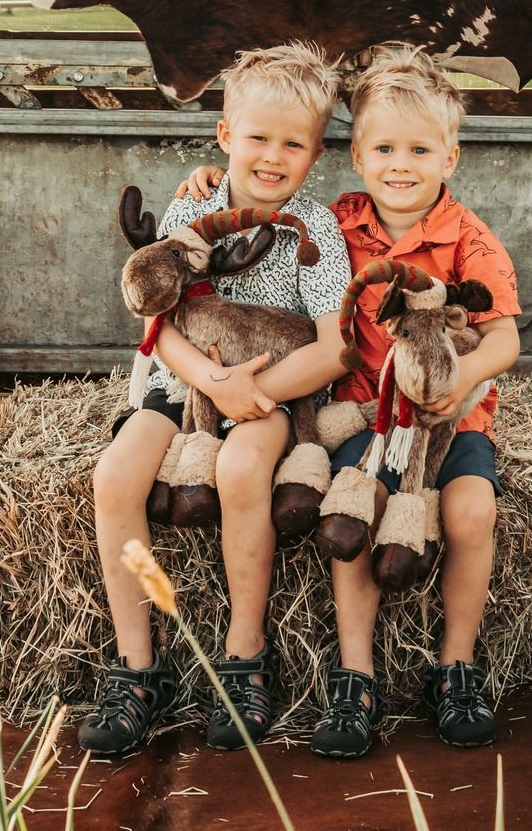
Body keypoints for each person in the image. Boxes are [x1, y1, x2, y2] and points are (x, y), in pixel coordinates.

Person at [178, 44, 521, 759]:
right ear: (358, 158)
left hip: (444, 419)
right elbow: (261, 204)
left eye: (420, 150)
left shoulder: (468, 240)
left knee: (471, 511)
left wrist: (462, 379)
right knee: (347, 511)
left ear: (449, 158)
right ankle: (354, 674)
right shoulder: (340, 221)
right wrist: (209, 182)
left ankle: (455, 668)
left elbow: (505, 340)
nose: (402, 165)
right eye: (384, 149)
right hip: (359, 416)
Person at [79, 41, 350, 758]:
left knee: (238, 471)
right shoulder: (191, 204)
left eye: (292, 143)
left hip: (272, 394)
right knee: (114, 478)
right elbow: (156, 321)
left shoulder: (315, 230)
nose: (272, 155)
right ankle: (138, 670)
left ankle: (244, 656)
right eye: (257, 137)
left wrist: (249, 393)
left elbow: (333, 348)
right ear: (225, 135)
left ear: (315, 153)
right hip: (185, 382)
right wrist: (208, 380)